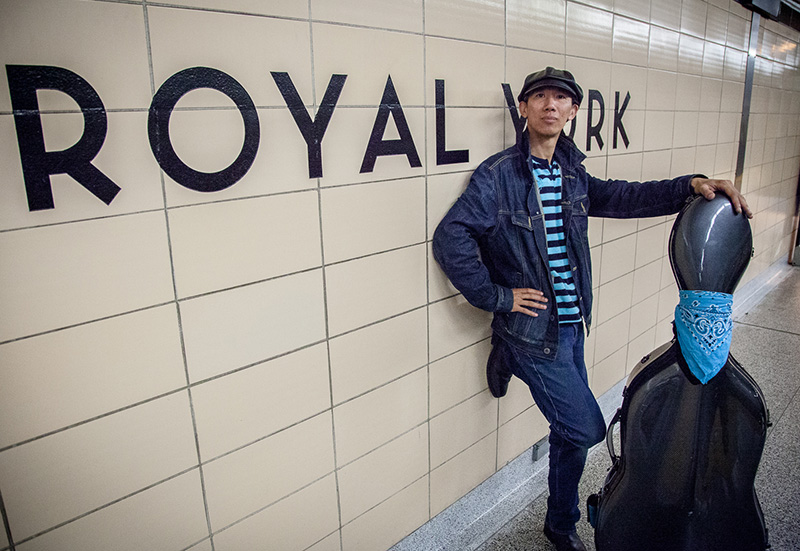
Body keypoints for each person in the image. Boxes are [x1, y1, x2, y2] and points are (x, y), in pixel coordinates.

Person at [431, 67, 751, 551]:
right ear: (523, 108)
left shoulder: (572, 173)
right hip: (532, 332)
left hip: (570, 324)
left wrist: (690, 185)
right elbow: (450, 236)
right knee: (584, 427)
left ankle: (559, 525)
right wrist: (498, 298)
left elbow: (625, 197)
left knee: (567, 434)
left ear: (573, 111)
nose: (550, 105)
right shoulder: (498, 176)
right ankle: (509, 350)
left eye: (561, 98)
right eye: (539, 97)